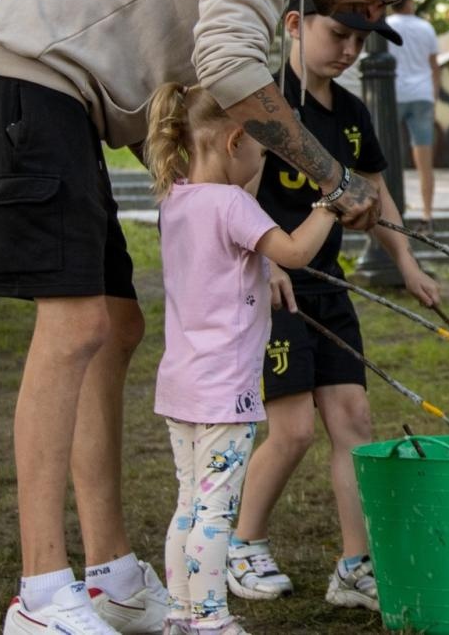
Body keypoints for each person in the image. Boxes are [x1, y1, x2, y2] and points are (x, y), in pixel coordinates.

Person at [0, 0, 437, 635]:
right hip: (30, 79)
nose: (373, 9)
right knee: (75, 326)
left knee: (118, 326)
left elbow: (188, 95)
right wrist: (332, 177)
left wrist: (226, 226)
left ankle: (111, 575)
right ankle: (40, 593)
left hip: (68, 101)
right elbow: (228, 68)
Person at [228, 0, 439, 610]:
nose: (350, 51)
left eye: (361, 41)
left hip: (330, 286)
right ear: (295, 24)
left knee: (354, 423)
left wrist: (407, 261)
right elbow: (236, 193)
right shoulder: (266, 103)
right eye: (338, 35)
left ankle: (354, 566)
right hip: (275, 291)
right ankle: (242, 545)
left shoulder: (350, 111)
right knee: (292, 431)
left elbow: (374, 189)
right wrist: (266, 261)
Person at [142, 81, 338, 635]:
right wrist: (331, 201)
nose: (262, 164)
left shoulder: (175, 200)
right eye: (261, 151)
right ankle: (210, 619)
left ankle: (181, 615)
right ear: (234, 142)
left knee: (189, 504)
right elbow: (295, 252)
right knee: (216, 512)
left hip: (181, 383)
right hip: (225, 390)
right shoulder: (233, 204)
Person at [385, 0, 442, 231]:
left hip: (393, 95)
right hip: (422, 95)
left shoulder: (386, 26)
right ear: (409, 3)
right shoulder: (426, 27)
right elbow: (434, 66)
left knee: (386, 157)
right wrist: (434, 96)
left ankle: (389, 213)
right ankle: (427, 215)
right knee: (424, 162)